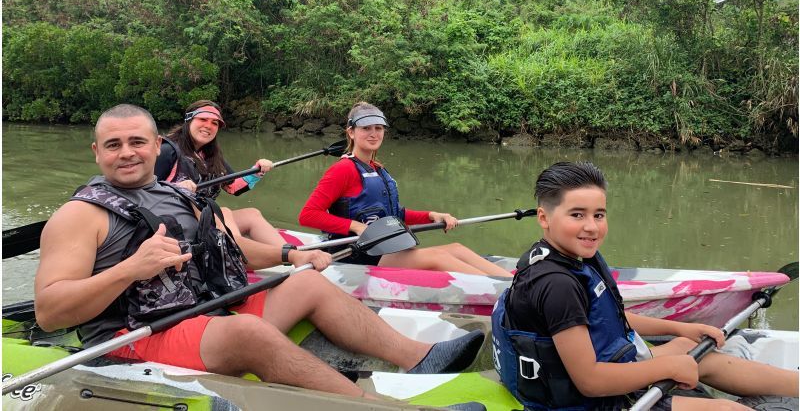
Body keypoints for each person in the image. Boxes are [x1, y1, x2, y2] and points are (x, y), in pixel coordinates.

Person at [34, 104, 485, 399]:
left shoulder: (178, 196)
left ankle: (418, 356)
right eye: (113, 145)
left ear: (158, 146)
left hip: (202, 312)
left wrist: (292, 257)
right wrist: (130, 269)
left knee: (308, 283)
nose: (126, 153)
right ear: (97, 152)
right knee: (249, 332)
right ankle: (374, 407)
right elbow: (51, 312)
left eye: (137, 142)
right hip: (135, 335)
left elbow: (230, 252)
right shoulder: (80, 216)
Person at [492, 161, 799, 410]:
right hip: (590, 400)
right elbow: (591, 382)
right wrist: (668, 369)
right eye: (577, 215)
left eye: (599, 215)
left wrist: (681, 328)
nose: (591, 226)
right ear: (544, 218)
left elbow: (605, 318)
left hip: (605, 367)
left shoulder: (574, 256)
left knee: (689, 348)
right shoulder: (557, 284)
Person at [299, 102, 512, 277]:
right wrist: (356, 226)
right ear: (351, 132)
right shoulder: (342, 170)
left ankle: (512, 282)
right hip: (357, 255)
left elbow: (395, 215)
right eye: (366, 128)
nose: (374, 134)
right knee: (440, 258)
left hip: (386, 249)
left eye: (378, 128)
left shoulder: (378, 168)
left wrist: (431, 215)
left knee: (456, 248)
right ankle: (501, 292)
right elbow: (308, 215)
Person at [155, 100, 284, 246]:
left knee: (252, 214)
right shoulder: (167, 151)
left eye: (215, 123)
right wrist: (173, 188)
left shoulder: (211, 154)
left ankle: (293, 255)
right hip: (175, 225)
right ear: (188, 120)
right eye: (203, 119)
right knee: (225, 212)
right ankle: (236, 256)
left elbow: (233, 186)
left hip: (204, 220)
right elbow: (143, 192)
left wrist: (257, 170)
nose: (208, 126)